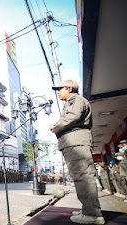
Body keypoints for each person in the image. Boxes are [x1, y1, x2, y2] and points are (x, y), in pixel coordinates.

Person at [50, 80, 104, 224]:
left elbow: (72, 117)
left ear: (69, 89)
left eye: (60, 89)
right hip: (73, 142)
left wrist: (54, 126)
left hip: (76, 142)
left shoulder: (76, 100)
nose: (59, 92)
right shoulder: (72, 101)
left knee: (83, 177)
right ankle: (88, 210)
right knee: (81, 177)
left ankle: (93, 215)